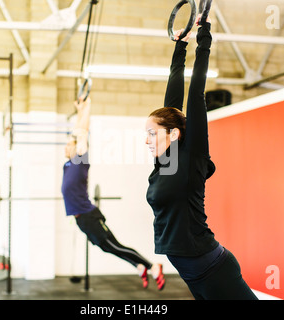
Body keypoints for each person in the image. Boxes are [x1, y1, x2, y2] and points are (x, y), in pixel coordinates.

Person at [145, 15, 258, 300]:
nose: (146, 140)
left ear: (172, 135)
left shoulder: (191, 156)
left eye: (151, 133)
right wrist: (179, 46)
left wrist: (203, 36)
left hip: (213, 269)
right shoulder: (165, 162)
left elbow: (195, 94)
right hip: (193, 273)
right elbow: (171, 104)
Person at [62, 96, 165, 290]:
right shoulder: (67, 165)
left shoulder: (80, 161)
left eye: (70, 145)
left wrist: (87, 107)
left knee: (115, 246)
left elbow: (81, 132)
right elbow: (76, 132)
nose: (66, 146)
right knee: (108, 248)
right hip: (81, 219)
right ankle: (139, 265)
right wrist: (79, 110)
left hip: (88, 216)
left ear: (78, 148)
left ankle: (153, 267)